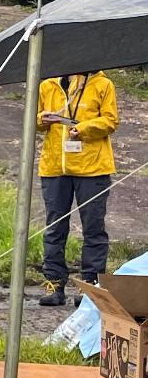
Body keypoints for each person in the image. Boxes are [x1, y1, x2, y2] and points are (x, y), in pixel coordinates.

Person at [37, 69, 118, 307]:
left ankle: (90, 283)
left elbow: (111, 120)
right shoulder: (48, 84)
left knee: (93, 227)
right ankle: (54, 283)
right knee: (54, 227)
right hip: (55, 168)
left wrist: (83, 129)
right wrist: (43, 118)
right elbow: (35, 122)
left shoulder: (103, 84)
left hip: (93, 168)